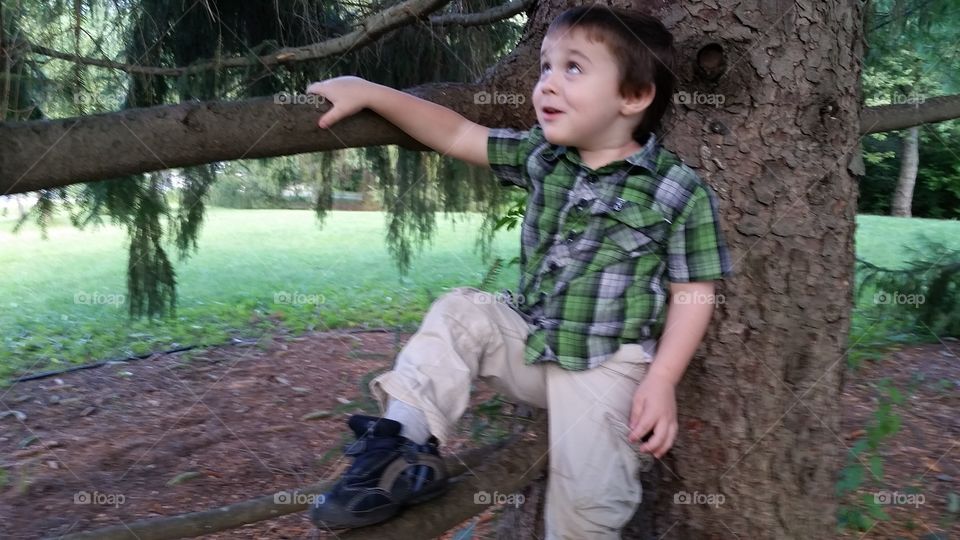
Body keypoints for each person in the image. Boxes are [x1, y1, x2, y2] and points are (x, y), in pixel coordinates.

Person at [304, 5, 733, 538]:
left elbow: (695, 290)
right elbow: (457, 134)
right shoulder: (543, 158)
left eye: (572, 68)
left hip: (607, 370)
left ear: (634, 96)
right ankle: (397, 454)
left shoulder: (677, 190)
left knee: (587, 509)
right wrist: (370, 91)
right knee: (463, 312)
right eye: (545, 67)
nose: (547, 84)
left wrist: (663, 378)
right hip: (532, 347)